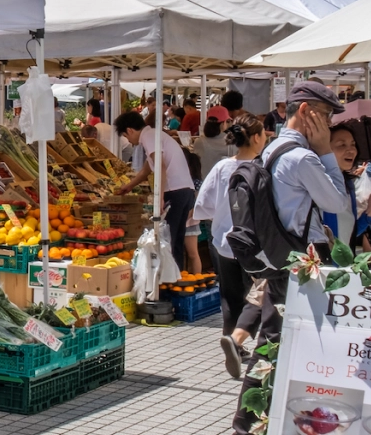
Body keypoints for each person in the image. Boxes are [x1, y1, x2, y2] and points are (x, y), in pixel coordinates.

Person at [226, 81, 350, 435]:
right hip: (302, 263)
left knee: (275, 342)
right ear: (308, 111)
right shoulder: (301, 157)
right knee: (273, 345)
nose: (328, 125)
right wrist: (328, 152)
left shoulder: (274, 148)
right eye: (326, 116)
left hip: (285, 261)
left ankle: (253, 433)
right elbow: (337, 201)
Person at [193, 115, 267, 379]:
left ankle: (232, 339)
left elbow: (204, 204)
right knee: (261, 293)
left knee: (230, 294)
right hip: (257, 245)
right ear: (257, 137)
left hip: (225, 240)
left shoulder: (223, 167)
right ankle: (249, 342)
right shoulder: (265, 167)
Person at [113, 112, 195, 270]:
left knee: (168, 240)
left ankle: (170, 280)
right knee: (176, 238)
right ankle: (176, 277)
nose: (129, 141)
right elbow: (146, 170)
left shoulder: (148, 136)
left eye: (126, 136)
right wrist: (129, 186)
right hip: (185, 190)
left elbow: (161, 166)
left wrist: (160, 196)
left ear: (130, 130)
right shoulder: (154, 135)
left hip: (175, 191)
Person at [322, 126, 371, 247]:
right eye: (342, 145)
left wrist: (370, 211)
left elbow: (350, 234)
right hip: (324, 263)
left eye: (353, 144)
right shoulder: (320, 184)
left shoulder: (348, 184)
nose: (351, 150)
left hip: (344, 263)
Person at [192, 106, 235, 180]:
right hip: (224, 185)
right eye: (227, 121)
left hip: (204, 184)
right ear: (223, 123)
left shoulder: (199, 142)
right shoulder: (232, 142)